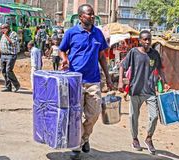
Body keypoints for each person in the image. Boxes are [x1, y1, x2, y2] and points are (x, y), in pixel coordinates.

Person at [59, 4, 113, 160]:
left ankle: (85, 137)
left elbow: (102, 56)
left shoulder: (98, 34)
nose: (92, 17)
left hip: (93, 80)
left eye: (93, 14)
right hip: (74, 80)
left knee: (94, 114)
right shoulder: (71, 33)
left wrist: (108, 77)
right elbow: (62, 49)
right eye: (89, 14)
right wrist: (64, 59)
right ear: (81, 17)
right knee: (75, 115)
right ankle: (77, 144)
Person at [118, 30, 168, 155]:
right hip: (135, 89)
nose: (147, 42)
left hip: (150, 90)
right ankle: (135, 139)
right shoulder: (134, 52)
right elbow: (122, 65)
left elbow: (160, 69)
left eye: (149, 39)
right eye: (145, 39)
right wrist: (120, 82)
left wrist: (165, 81)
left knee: (155, 115)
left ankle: (149, 138)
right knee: (134, 116)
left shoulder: (155, 54)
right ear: (140, 40)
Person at [0, 23, 20, 92]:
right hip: (3, 55)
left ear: (7, 28)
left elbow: (13, 43)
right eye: (1, 28)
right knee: (3, 71)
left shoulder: (13, 34)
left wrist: (6, 35)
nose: (2, 30)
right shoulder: (3, 35)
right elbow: (1, 46)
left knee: (8, 70)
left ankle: (16, 85)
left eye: (3, 28)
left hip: (11, 55)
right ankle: (8, 87)